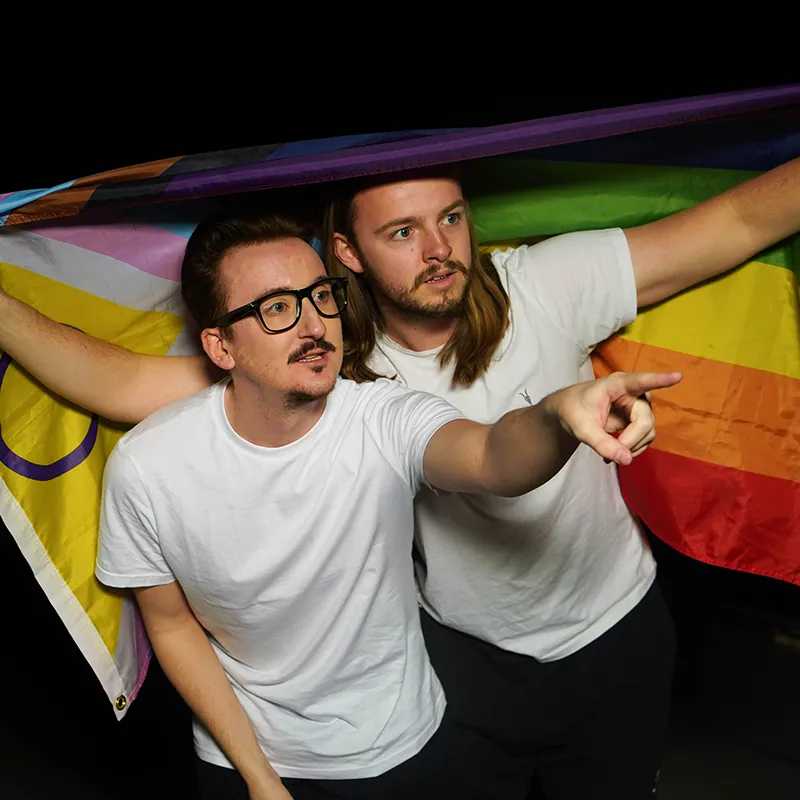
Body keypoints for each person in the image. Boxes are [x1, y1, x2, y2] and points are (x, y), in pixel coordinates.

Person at [0, 155, 797, 798]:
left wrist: (562, 413)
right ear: (347, 252)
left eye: (451, 218)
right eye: (402, 232)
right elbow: (124, 384)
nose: (438, 250)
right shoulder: (333, 359)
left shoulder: (549, 282)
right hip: (464, 663)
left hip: (616, 633)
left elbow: (736, 221)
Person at [94, 208, 678, 800]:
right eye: (276, 308)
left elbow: (491, 456)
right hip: (245, 757)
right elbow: (171, 625)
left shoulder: (382, 415)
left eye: (320, 296)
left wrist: (558, 414)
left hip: (406, 746)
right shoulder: (149, 467)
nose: (313, 325)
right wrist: (259, 777)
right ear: (220, 346)